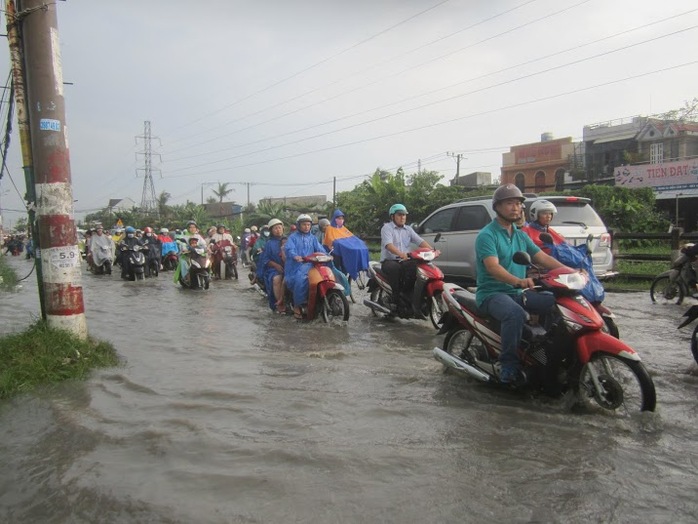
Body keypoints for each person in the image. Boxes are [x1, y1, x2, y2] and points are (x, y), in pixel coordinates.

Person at [475, 184, 571, 386]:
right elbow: (492, 267)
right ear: (497, 207)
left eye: (518, 203)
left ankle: (542, 353)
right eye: (509, 203)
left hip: (518, 292)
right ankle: (508, 366)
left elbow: (542, 257)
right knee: (515, 314)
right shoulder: (487, 235)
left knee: (554, 303)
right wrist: (518, 281)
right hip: (492, 294)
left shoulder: (520, 235)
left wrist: (569, 272)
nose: (515, 208)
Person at [380, 203, 437, 316]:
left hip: (405, 260)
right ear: (392, 217)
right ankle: (395, 300)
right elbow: (388, 245)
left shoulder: (408, 229)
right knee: (395, 269)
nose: (402, 217)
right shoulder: (387, 228)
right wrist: (400, 254)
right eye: (400, 215)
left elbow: (420, 241)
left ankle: (410, 297)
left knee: (417, 270)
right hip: (390, 261)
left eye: (404, 215)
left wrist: (432, 250)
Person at [284, 214, 326, 318]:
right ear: (299, 225)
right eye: (304, 224)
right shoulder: (292, 237)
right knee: (301, 279)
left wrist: (326, 255)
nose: (306, 227)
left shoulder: (313, 238)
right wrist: (295, 256)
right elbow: (289, 249)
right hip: (296, 265)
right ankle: (297, 305)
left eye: (308, 225)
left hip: (311, 264)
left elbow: (320, 249)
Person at [259, 218, 286, 313]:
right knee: (277, 279)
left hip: (290, 267)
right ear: (271, 231)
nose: (278, 230)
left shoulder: (289, 240)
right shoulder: (269, 244)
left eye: (279, 228)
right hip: (273, 269)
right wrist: (276, 266)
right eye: (275, 228)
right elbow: (266, 259)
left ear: (283, 228)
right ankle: (280, 303)